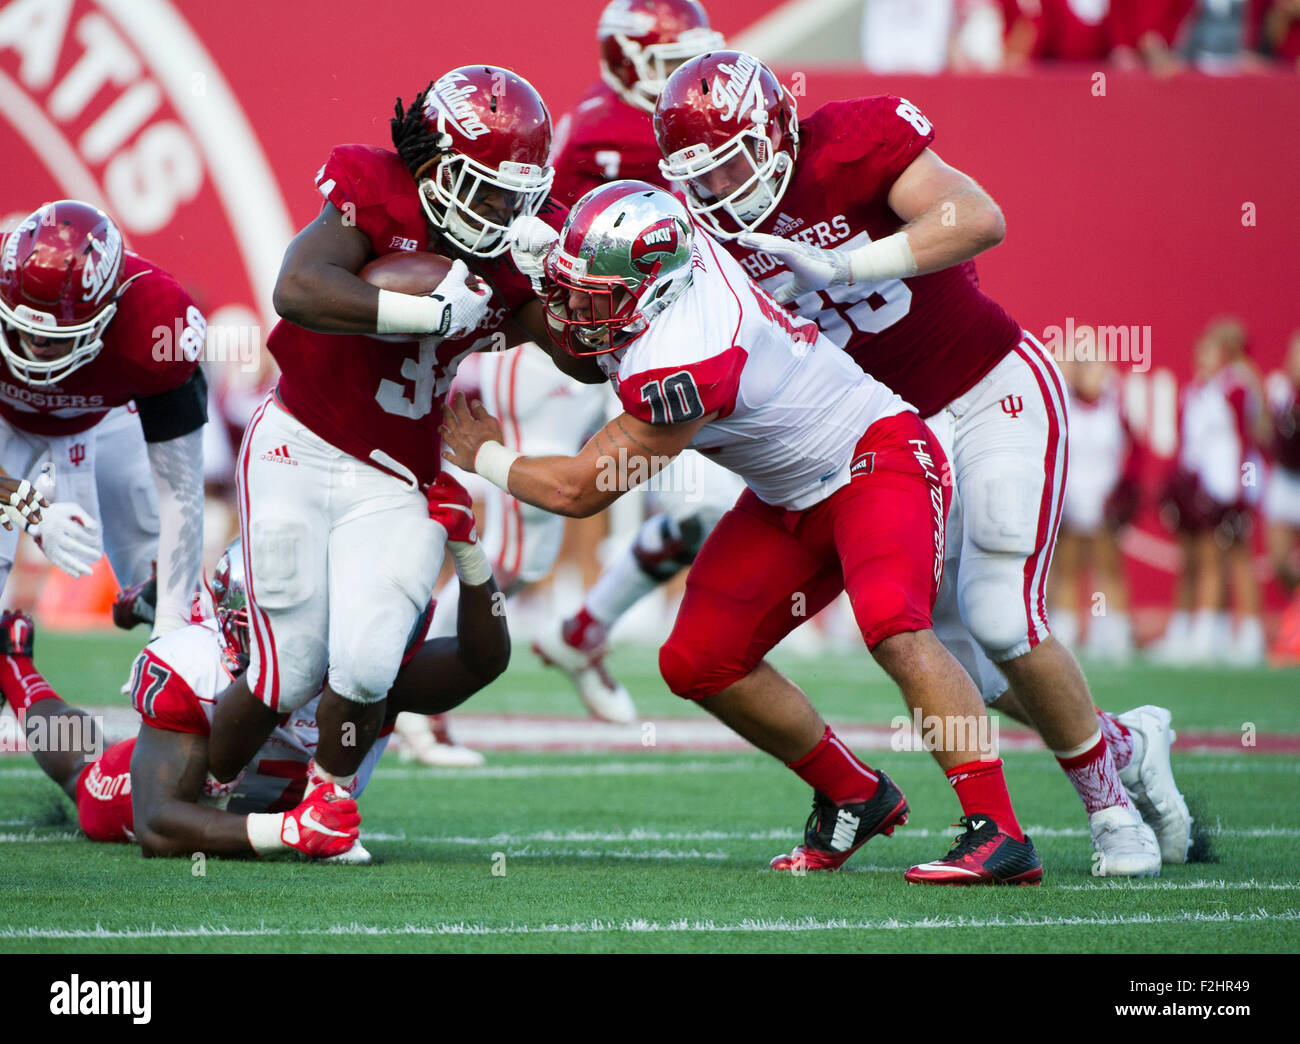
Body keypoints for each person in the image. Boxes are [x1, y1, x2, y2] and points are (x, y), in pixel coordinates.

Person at [651, 50, 1189, 873]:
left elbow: (978, 217)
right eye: (706, 178)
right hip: (894, 434)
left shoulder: (850, 142)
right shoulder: (708, 232)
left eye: (734, 164)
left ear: (777, 130)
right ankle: (1124, 740)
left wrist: (848, 263)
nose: (725, 191)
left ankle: (1110, 810)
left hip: (987, 388)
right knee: (962, 659)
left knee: (1002, 614)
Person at [445, 182, 1043, 885]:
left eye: (595, 296)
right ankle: (854, 795)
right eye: (573, 289)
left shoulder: (689, 355)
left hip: (874, 460)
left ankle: (998, 831)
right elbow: (586, 294)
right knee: (697, 660)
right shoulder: (663, 261)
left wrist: (483, 455)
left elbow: (578, 490)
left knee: (893, 624)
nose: (575, 308)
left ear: (654, 292)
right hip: (787, 494)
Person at [205, 66, 572, 828]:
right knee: (290, 665)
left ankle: (327, 809)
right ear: (433, 167)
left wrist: (568, 287)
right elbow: (298, 288)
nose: (506, 210)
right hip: (301, 443)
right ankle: (200, 790)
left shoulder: (514, 246)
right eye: (490, 188)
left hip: (398, 473)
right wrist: (423, 313)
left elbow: (579, 357)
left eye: (518, 194)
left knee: (370, 660)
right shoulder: (376, 188)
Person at [0, 480, 507, 860]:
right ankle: (15, 664)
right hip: (200, 790)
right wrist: (287, 831)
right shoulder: (196, 667)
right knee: (85, 776)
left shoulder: (366, 663)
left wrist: (467, 551)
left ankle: (158, 602)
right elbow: (158, 825)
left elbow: (481, 660)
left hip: (264, 784)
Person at [0, 201, 208, 639]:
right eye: (23, 327)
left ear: (109, 310)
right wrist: (29, 508)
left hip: (105, 416)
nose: (36, 345)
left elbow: (182, 496)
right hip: (4, 418)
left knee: (161, 574)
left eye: (57, 335)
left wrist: (170, 631)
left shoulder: (156, 323)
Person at [1049, 357, 1140, 660]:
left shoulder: (1113, 408)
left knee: (1108, 568)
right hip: (1071, 500)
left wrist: (1124, 493)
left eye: (1100, 372)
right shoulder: (1064, 408)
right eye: (1089, 371)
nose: (1096, 377)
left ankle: (1113, 631)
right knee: (1067, 569)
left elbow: (1135, 451)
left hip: (1105, 500)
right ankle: (1065, 632)